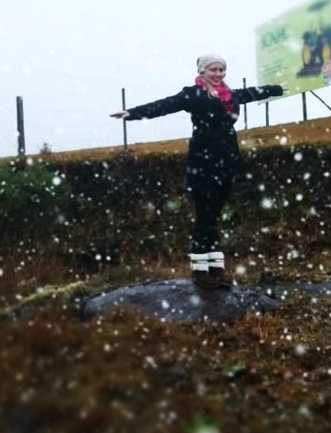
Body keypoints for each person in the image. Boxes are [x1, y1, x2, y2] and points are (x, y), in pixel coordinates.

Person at [110, 54, 284, 289]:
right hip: (202, 161)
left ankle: (215, 268)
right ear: (202, 71)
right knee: (205, 214)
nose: (218, 74)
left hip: (226, 160)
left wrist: (277, 89)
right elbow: (164, 105)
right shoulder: (192, 94)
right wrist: (132, 113)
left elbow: (254, 92)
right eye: (213, 69)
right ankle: (201, 269)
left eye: (221, 69)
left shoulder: (231, 94)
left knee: (214, 214)